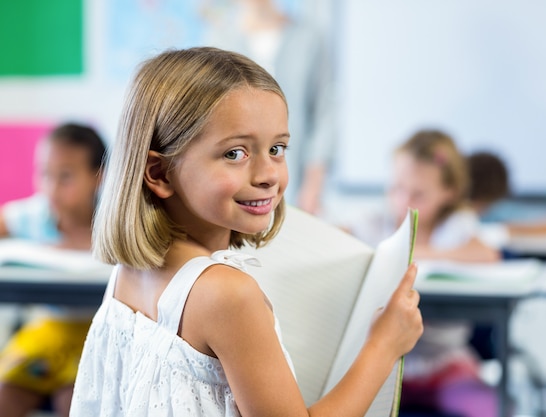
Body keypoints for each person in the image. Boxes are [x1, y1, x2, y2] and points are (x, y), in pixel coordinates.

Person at [69, 46, 423, 417]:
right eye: (235, 153)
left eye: (277, 148)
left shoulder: (127, 273)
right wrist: (383, 346)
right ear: (158, 173)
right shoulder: (227, 295)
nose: (269, 174)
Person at [351, 129, 500, 417]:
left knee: (488, 408)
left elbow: (487, 254)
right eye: (397, 188)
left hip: (445, 365)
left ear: (450, 192)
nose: (404, 200)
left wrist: (411, 251)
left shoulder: (456, 225)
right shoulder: (377, 219)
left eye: (418, 193)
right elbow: (337, 236)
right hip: (383, 365)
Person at [0, 122, 107, 417]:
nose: (52, 187)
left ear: (98, 177)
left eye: (66, 177)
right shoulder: (36, 215)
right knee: (6, 394)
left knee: (72, 404)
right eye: (45, 173)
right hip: (46, 332)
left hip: (96, 338)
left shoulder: (112, 222)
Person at [202, 0, 336, 214]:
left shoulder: (309, 38)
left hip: (297, 179)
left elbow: (324, 115)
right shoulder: (220, 38)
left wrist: (313, 185)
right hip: (238, 177)